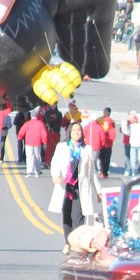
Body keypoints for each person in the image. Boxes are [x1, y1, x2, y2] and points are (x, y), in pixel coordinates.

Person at [49, 122, 101, 252]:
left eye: (79, 130)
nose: (76, 132)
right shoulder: (62, 147)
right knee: (66, 215)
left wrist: (98, 191)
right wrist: (56, 176)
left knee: (78, 217)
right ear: (69, 133)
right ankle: (67, 243)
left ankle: (79, 244)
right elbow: (55, 164)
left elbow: (91, 172)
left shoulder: (86, 149)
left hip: (80, 187)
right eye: (74, 130)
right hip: (65, 186)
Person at [16, 112, 48, 177]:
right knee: (37, 157)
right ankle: (37, 172)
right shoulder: (40, 124)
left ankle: (29, 172)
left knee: (29, 157)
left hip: (28, 142)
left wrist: (19, 138)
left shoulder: (27, 123)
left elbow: (21, 132)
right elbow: (44, 134)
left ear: (30, 116)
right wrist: (45, 142)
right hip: (37, 142)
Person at [96, 108, 116, 178]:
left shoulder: (111, 124)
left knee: (106, 160)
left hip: (108, 146)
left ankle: (104, 172)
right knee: (101, 158)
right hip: (102, 145)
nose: (105, 123)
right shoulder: (99, 119)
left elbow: (112, 137)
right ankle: (102, 171)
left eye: (106, 111)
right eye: (104, 111)